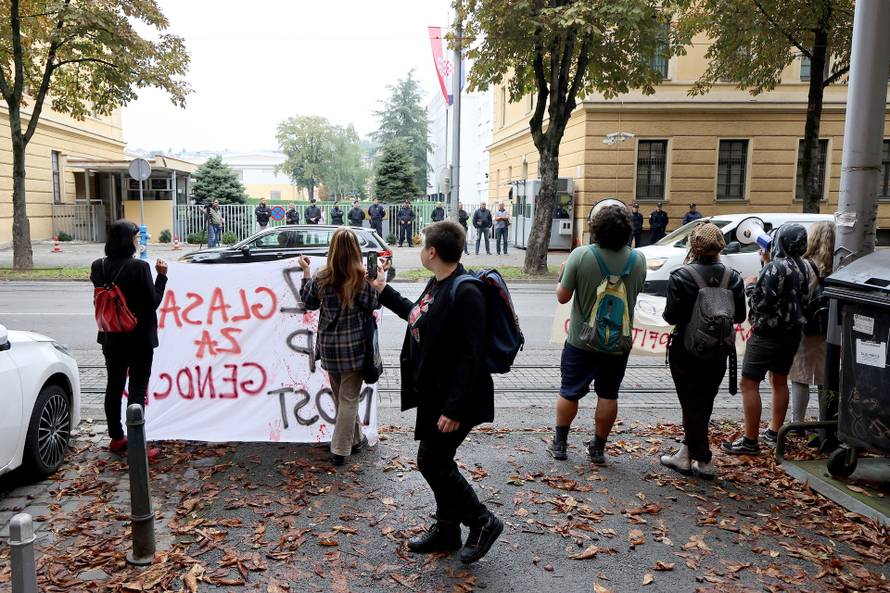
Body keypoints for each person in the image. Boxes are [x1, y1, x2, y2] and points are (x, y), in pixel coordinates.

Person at [369, 221, 503, 565]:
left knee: (432, 461)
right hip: (436, 394)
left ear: (432, 252)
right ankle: (447, 529)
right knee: (437, 460)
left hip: (458, 399)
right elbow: (418, 316)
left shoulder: (467, 291)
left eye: (422, 245)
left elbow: (473, 358)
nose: (419, 249)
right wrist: (383, 290)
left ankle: (483, 521)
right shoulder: (440, 282)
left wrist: (454, 409)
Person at [547, 205, 646, 464]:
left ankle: (560, 444)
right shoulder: (638, 260)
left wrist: (562, 275)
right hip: (618, 343)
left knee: (569, 391)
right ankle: (598, 448)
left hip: (582, 340)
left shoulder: (581, 256)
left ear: (596, 229)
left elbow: (562, 296)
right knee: (609, 393)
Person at [660, 223, 746, 478]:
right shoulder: (734, 277)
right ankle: (686, 454)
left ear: (693, 246)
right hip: (719, 350)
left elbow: (670, 316)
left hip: (686, 349)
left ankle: (703, 459)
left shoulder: (681, 276)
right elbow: (740, 315)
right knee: (704, 401)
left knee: (689, 401)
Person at [721, 224, 810, 455]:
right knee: (779, 381)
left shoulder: (775, 268)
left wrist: (751, 286)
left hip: (767, 335)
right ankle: (774, 431)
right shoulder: (805, 266)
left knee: (749, 383)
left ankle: (750, 441)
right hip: (792, 334)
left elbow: (761, 304)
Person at [298, 229, 378, 465]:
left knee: (342, 398)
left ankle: (355, 440)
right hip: (354, 348)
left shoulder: (322, 276)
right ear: (356, 251)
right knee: (349, 398)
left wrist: (305, 271)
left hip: (330, 347)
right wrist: (375, 282)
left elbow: (308, 303)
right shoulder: (361, 278)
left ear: (332, 249)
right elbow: (374, 304)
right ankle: (340, 450)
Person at [90, 221, 168, 457]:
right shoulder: (139, 267)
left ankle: (116, 437)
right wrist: (162, 278)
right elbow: (152, 302)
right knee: (136, 389)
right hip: (138, 338)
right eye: (136, 237)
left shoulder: (98, 266)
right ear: (128, 240)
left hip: (111, 336)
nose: (138, 240)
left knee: (113, 386)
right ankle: (136, 445)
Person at [789, 222, 835, 441]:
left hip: (807, 328)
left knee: (800, 376)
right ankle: (826, 421)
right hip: (831, 329)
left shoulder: (806, 266)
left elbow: (800, 297)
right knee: (826, 375)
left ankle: (797, 423)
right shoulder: (841, 263)